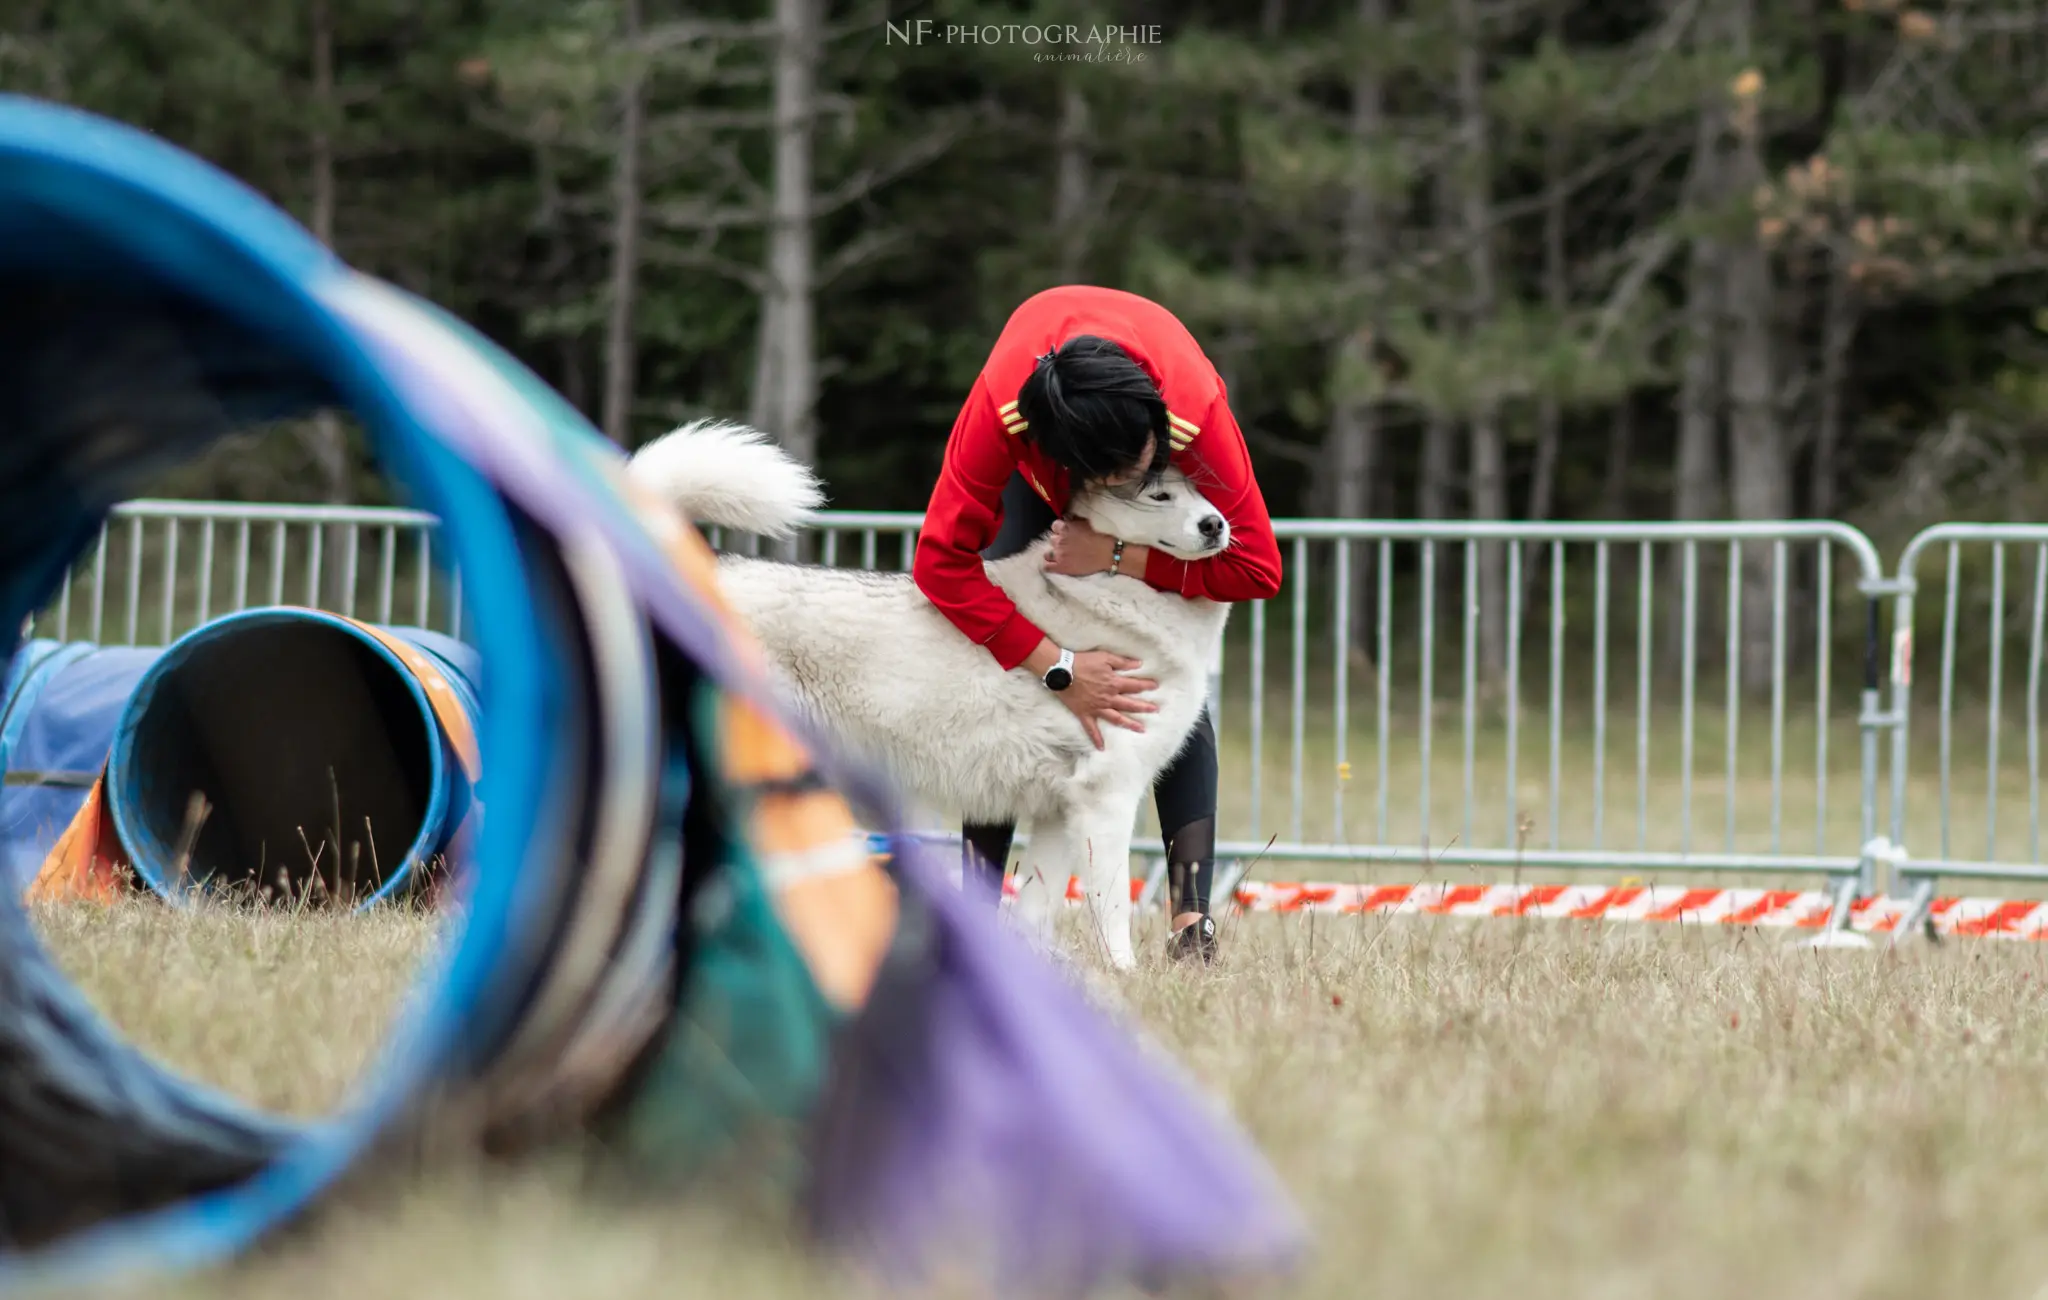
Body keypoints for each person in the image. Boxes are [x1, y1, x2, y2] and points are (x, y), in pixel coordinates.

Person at [911, 285, 1283, 963]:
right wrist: (1054, 662)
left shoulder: (1193, 412)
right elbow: (940, 564)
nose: (1128, 477)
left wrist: (1120, 553)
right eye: (1115, 476)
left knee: (1169, 667)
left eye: (1138, 461)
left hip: (1145, 442)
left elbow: (1259, 570)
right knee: (1005, 686)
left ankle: (1190, 923)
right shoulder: (1002, 414)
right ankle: (978, 923)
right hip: (1042, 462)